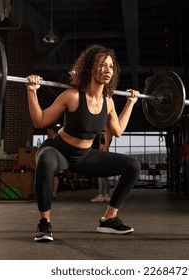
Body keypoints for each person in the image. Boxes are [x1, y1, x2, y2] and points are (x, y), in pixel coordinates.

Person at [26, 44, 141, 242]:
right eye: (102, 65)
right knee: (45, 160)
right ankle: (44, 224)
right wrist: (32, 91)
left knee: (133, 166)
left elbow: (118, 130)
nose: (107, 70)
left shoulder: (109, 102)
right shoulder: (72, 96)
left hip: (85, 156)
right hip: (58, 150)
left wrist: (130, 103)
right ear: (90, 68)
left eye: (111, 66)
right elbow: (40, 121)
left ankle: (109, 219)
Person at [91, 128, 112, 203]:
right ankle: (106, 195)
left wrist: (103, 154)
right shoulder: (104, 133)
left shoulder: (107, 133)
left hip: (102, 154)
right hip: (102, 154)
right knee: (104, 176)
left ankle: (101, 195)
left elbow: (106, 147)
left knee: (100, 175)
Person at [44, 125, 60, 198]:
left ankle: (54, 192)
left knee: (55, 176)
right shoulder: (48, 139)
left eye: (48, 131)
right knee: (49, 175)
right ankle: (49, 191)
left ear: (52, 130)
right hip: (48, 158)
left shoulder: (57, 138)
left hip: (55, 158)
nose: (47, 133)